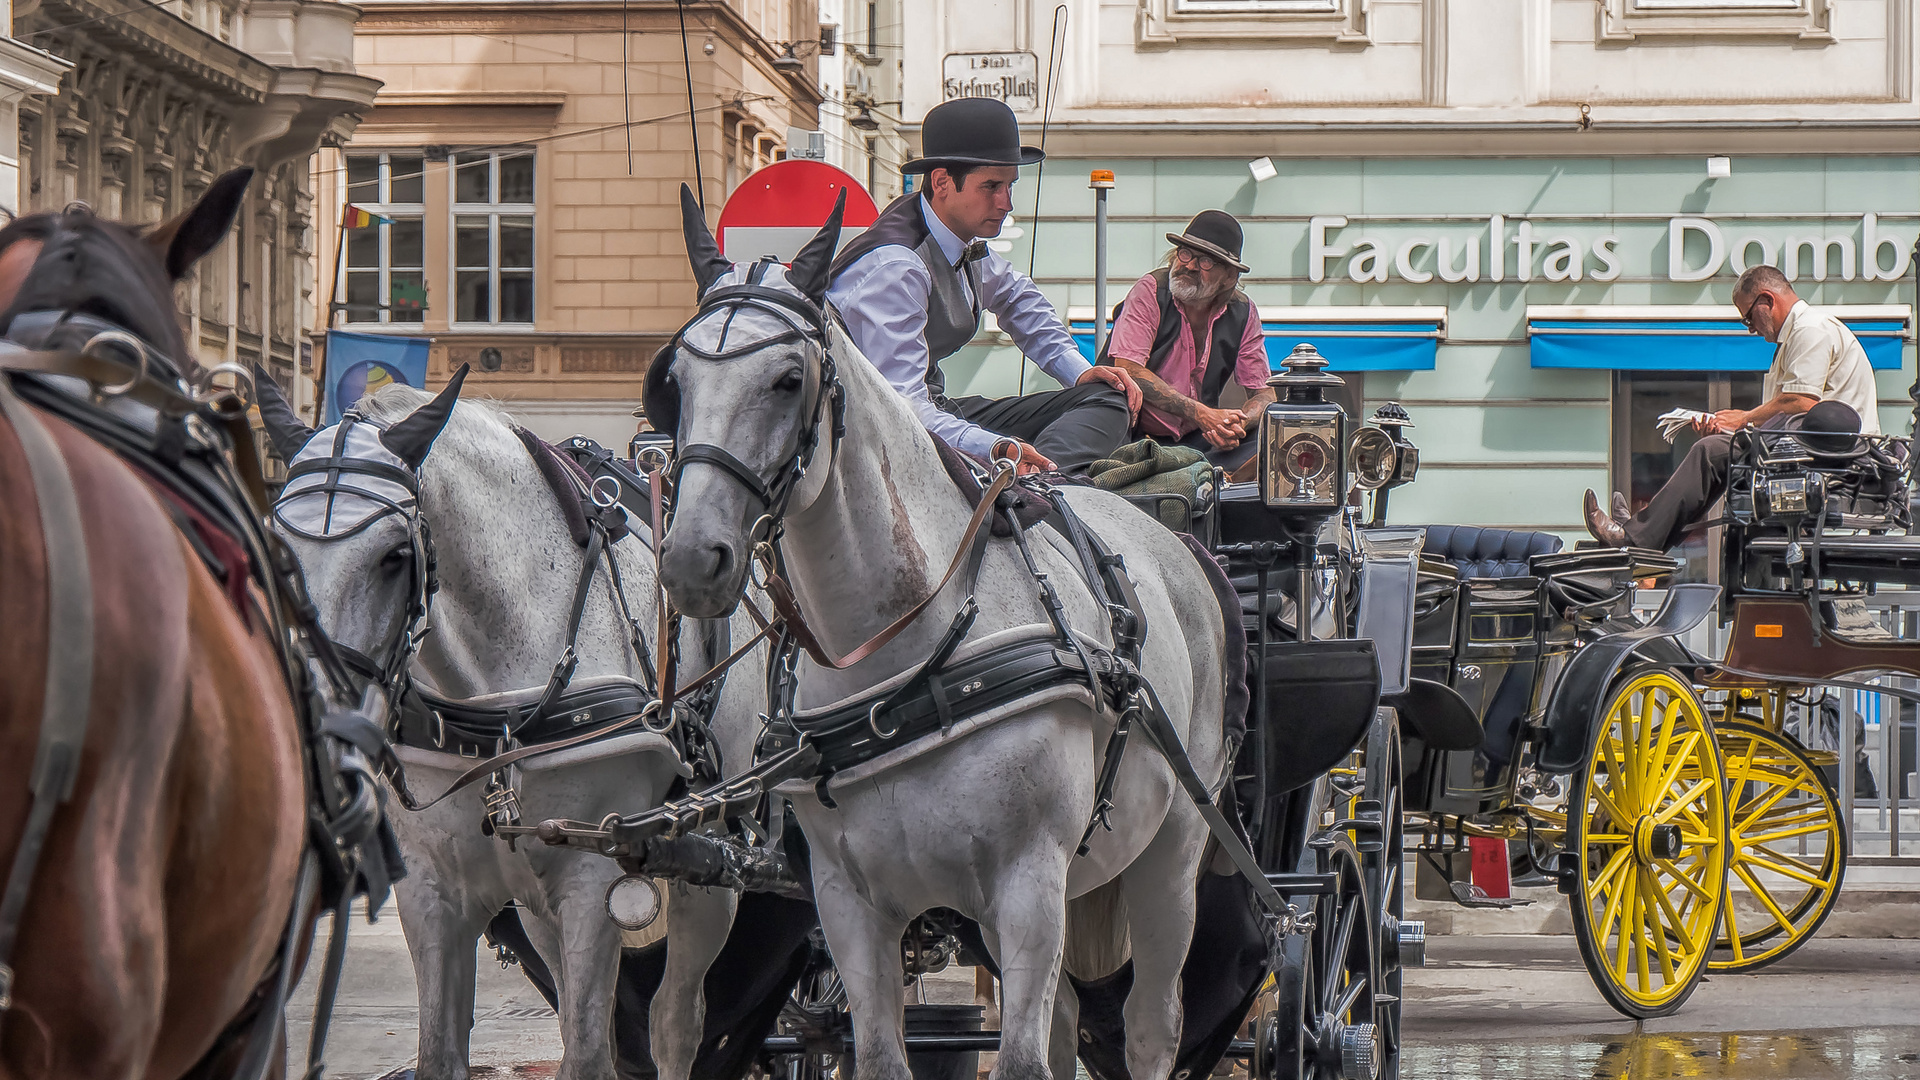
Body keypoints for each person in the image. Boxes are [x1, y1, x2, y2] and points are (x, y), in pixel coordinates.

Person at [826, 98, 1140, 474]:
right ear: (941, 182)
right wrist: (997, 447)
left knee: (1106, 396)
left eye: (1010, 185)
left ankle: (1046, 476)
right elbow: (901, 409)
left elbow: (1018, 300)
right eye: (991, 186)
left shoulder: (958, 235)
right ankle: (1044, 483)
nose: (1006, 203)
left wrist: (1078, 371)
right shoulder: (897, 267)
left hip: (931, 409)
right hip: (874, 432)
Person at [1584, 264, 1880, 549]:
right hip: (1809, 449)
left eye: (1748, 318)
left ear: (1767, 300)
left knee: (1710, 452)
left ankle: (1637, 537)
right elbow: (1786, 412)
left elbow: (1800, 401)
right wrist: (1735, 427)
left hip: (1833, 454)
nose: (1751, 329)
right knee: (1719, 453)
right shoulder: (1797, 336)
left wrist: (1743, 419)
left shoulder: (1810, 328)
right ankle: (1643, 533)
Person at [1100, 210, 1275, 471]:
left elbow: (1264, 394)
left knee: (1270, 442)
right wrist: (1203, 415)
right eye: (1185, 253)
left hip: (1196, 441)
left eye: (1205, 261)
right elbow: (1128, 368)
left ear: (1229, 276)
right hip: (1130, 434)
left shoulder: (1243, 311)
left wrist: (1237, 423)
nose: (1190, 265)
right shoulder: (1151, 290)